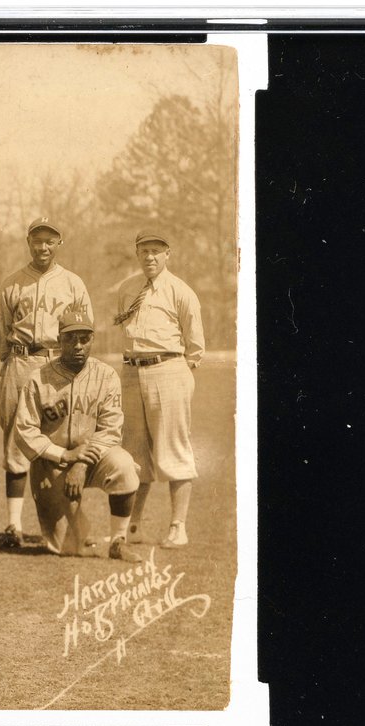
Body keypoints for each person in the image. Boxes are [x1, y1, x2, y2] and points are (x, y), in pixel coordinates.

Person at [0, 218, 92, 548]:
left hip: (57, 365)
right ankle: (13, 525)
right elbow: (3, 337)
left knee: (59, 437)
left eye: (50, 241)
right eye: (38, 240)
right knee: (15, 442)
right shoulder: (11, 284)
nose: (43, 247)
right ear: (28, 242)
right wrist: (14, 360)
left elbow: (84, 333)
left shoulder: (73, 283)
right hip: (20, 360)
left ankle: (67, 522)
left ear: (59, 243)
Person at [12, 305, 140, 558]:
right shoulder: (38, 378)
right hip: (52, 462)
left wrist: (80, 463)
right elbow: (24, 431)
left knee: (124, 466)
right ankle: (77, 523)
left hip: (93, 457)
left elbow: (111, 429)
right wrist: (63, 456)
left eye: (84, 338)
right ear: (59, 340)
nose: (78, 345)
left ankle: (118, 541)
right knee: (67, 548)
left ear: (92, 339)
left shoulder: (106, 375)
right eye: (70, 338)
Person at [113, 230, 205, 548]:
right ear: (137, 254)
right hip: (130, 371)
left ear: (168, 254)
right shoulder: (126, 288)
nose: (149, 257)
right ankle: (131, 526)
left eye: (156, 251)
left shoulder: (180, 291)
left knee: (173, 449)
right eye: (144, 251)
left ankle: (178, 527)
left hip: (168, 369)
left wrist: (175, 373)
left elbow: (195, 347)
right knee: (133, 452)